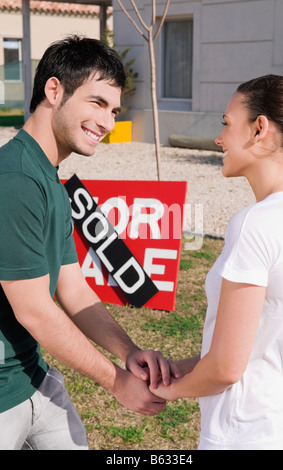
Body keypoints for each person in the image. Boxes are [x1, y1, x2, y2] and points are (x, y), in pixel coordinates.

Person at [0, 35, 181, 450]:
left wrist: (128, 351)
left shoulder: (48, 176)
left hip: (34, 377)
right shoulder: (15, 180)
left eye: (114, 110)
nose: (107, 122)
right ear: (54, 90)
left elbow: (72, 286)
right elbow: (36, 313)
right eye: (97, 103)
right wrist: (118, 382)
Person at [150, 74, 283, 450]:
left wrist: (163, 392)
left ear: (259, 129)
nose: (219, 139)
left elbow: (227, 369)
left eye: (226, 124)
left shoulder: (255, 223)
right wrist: (185, 367)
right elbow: (262, 338)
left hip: (243, 433)